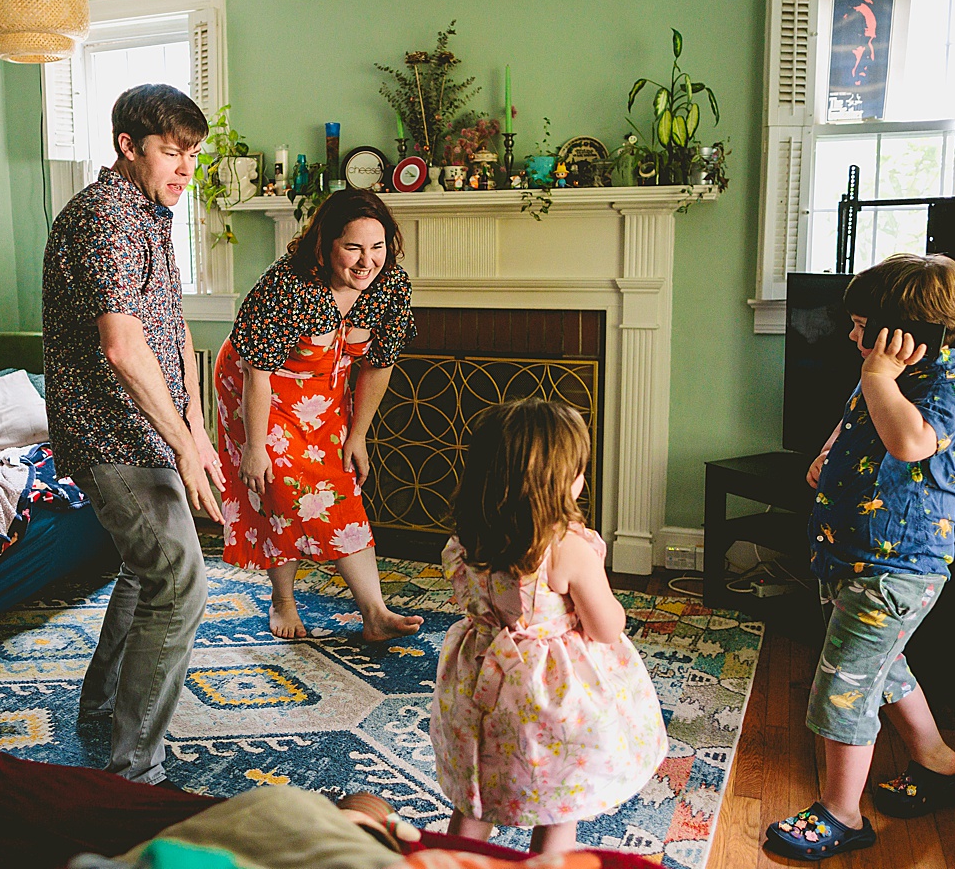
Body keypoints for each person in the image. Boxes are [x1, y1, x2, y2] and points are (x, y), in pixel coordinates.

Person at [765, 253, 955, 861]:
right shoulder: (875, 379)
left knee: (843, 687)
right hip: (847, 559)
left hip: (899, 570)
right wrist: (827, 454)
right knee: (884, 669)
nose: (853, 334)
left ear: (906, 331)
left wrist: (879, 379)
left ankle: (842, 814)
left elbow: (911, 441)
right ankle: (939, 763)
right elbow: (852, 424)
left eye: (863, 323)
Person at [42, 83, 225, 785]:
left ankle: (100, 707)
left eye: (192, 156)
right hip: (108, 431)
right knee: (178, 578)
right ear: (128, 145)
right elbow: (122, 346)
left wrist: (197, 430)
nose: (186, 169)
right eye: (174, 153)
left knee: (147, 571)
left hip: (152, 428)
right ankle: (136, 773)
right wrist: (181, 444)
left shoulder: (151, 215)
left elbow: (171, 329)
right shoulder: (103, 218)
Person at [430, 397, 668, 854]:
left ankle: (456, 861)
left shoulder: (466, 536)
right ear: (555, 484)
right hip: (543, 693)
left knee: (476, 791)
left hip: (479, 672)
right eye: (577, 472)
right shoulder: (566, 547)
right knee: (558, 799)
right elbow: (604, 628)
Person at [215, 188, 422, 642]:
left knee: (340, 482)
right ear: (325, 244)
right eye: (353, 248)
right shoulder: (287, 286)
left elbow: (378, 364)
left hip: (324, 391)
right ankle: (283, 600)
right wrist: (254, 447)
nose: (368, 261)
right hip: (257, 386)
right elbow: (257, 372)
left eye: (378, 247)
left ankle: (375, 614)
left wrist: (358, 435)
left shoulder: (391, 287)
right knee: (280, 486)